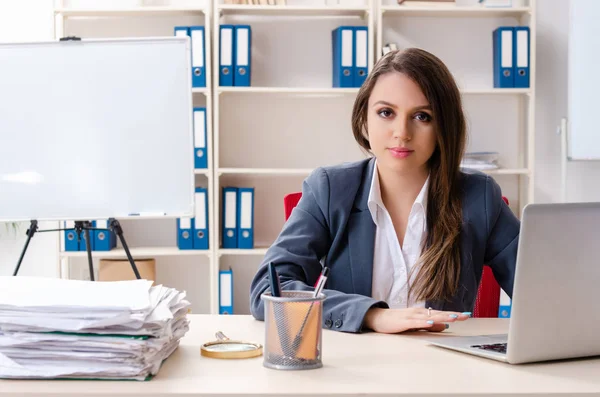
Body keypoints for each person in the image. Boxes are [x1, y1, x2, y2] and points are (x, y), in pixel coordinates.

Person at [249, 48, 520, 334]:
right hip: (352, 369)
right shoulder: (330, 188)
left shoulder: (479, 197)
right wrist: (372, 316)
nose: (402, 132)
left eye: (422, 117)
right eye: (386, 112)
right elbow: (268, 289)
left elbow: (541, 292)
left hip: (442, 368)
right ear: (364, 119)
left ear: (444, 126)